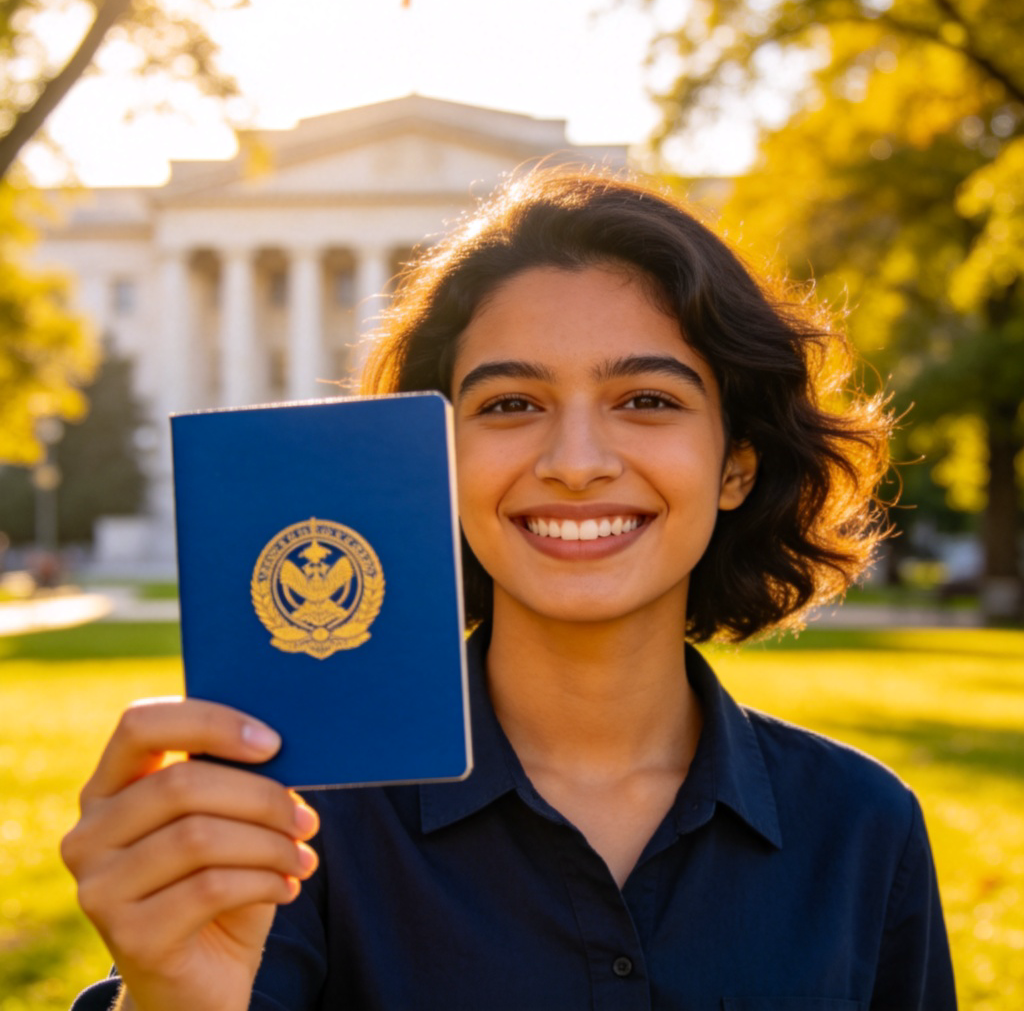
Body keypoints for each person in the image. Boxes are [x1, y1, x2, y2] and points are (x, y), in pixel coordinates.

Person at [64, 168, 956, 1011]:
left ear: (736, 465)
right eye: (510, 405)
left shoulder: (861, 830)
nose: (575, 464)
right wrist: (171, 999)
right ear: (431, 462)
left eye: (646, 400)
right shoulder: (292, 828)